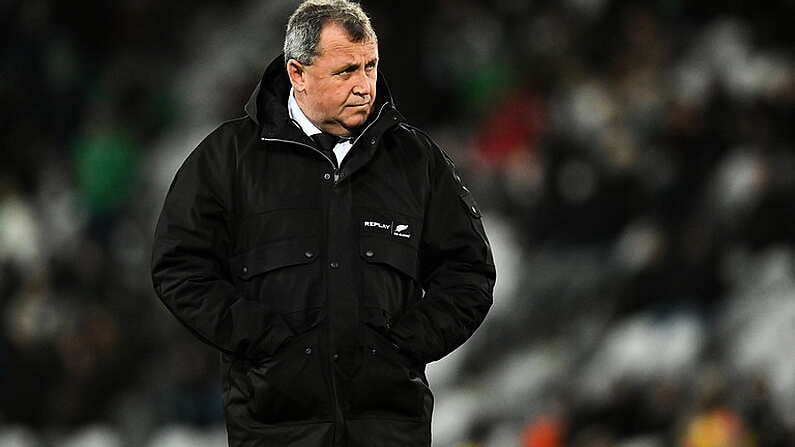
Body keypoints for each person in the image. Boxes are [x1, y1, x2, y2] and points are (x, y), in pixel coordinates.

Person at [150, 1, 495, 445]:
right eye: (345, 71)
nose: (364, 86)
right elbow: (178, 267)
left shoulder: (416, 161)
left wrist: (406, 346)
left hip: (388, 429)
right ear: (297, 73)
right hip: (275, 431)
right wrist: (262, 340)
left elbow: (470, 271)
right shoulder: (228, 160)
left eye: (370, 66)